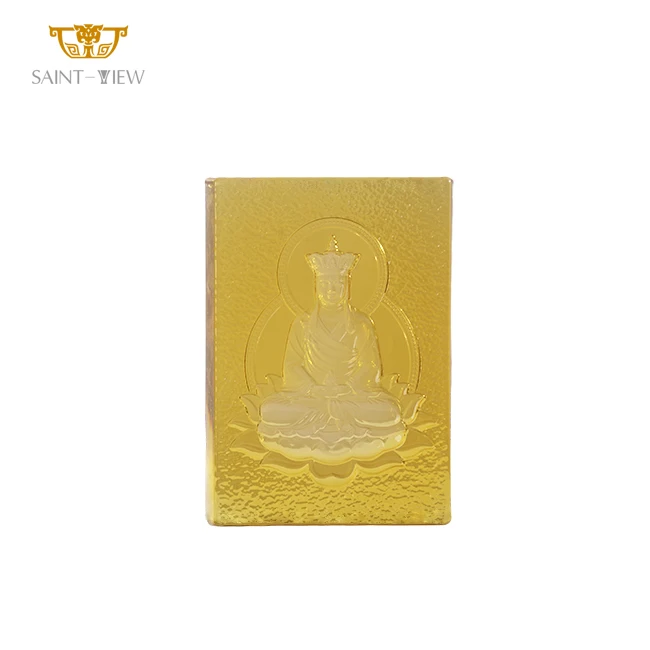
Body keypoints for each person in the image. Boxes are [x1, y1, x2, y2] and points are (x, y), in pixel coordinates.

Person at [257, 236, 405, 462]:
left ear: (347, 287)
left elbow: (370, 367)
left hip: (351, 396)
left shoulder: (360, 324)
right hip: (310, 397)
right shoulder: (303, 324)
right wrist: (313, 389)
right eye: (325, 284)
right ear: (316, 286)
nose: (331, 290)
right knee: (271, 409)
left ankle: (326, 419)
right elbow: (292, 366)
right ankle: (335, 419)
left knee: (388, 411)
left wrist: (347, 387)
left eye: (338, 284)